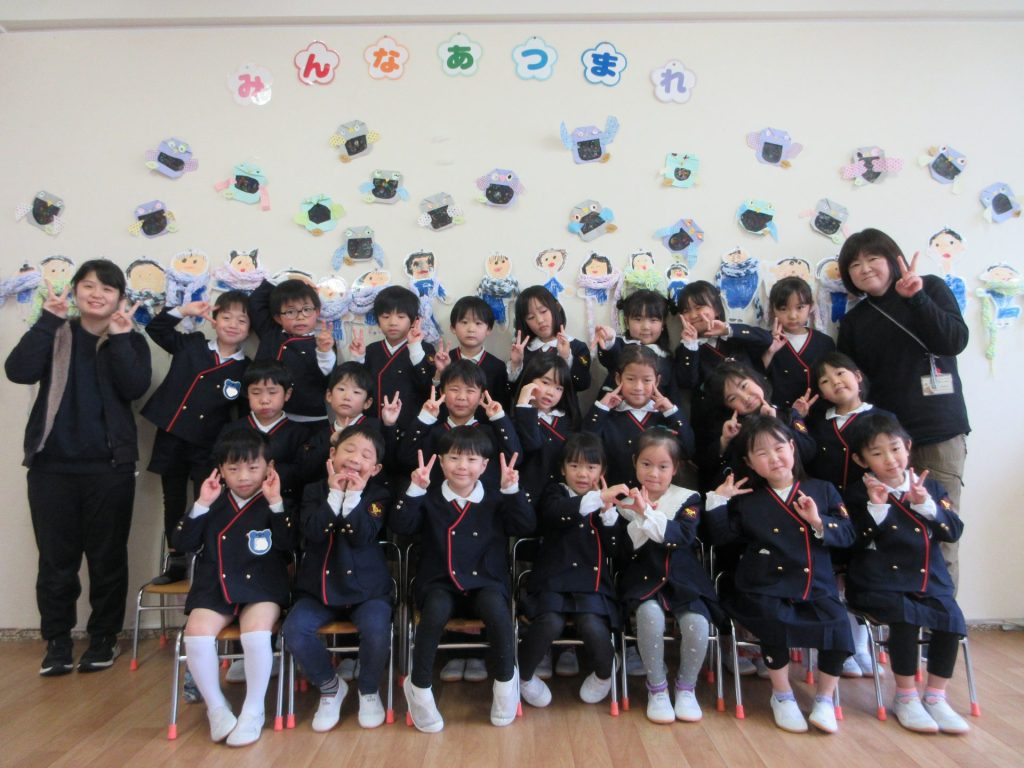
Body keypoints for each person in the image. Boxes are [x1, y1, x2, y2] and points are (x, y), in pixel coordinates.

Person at [5, 260, 151, 676]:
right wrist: (47, 321)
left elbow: (135, 388)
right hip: (51, 466)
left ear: (120, 298)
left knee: (107, 559)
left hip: (110, 468)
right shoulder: (55, 332)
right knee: (56, 561)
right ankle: (57, 642)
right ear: (74, 291)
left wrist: (120, 339)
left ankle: (103, 638)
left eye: (107, 289)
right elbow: (18, 371)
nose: (97, 294)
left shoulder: (130, 339)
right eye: (88, 286)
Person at [836, 228, 969, 587]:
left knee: (940, 532)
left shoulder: (930, 288)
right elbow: (857, 388)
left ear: (892, 259)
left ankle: (942, 614)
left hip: (938, 431)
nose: (865, 269)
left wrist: (917, 299)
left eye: (872, 259)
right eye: (855, 265)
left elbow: (955, 341)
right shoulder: (854, 322)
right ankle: (902, 614)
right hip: (885, 443)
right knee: (892, 537)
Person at [705, 416, 855, 734]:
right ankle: (782, 695)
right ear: (750, 463)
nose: (773, 458)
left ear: (792, 448)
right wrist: (718, 501)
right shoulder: (748, 500)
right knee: (773, 619)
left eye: (779, 448)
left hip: (815, 584)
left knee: (839, 623)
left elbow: (847, 535)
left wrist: (817, 521)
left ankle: (825, 699)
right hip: (765, 584)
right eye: (762, 453)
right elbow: (721, 538)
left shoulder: (823, 490)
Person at [390, 429, 535, 732]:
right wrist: (414, 490)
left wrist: (512, 491)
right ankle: (419, 687)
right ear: (441, 462)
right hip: (439, 581)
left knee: (497, 611)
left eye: (471, 459)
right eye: (454, 458)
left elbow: (525, 526)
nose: (462, 466)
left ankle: (505, 684)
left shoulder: (496, 497)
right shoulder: (429, 496)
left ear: (484, 465)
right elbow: (401, 527)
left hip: (486, 581)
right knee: (433, 613)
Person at [845, 412, 970, 734]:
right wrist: (877, 508)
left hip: (928, 580)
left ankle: (936, 696)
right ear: (861, 460)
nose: (890, 459)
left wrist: (926, 504)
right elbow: (851, 542)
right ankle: (906, 696)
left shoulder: (931, 486)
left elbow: (952, 531)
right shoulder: (856, 494)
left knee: (951, 618)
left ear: (908, 446)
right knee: (905, 617)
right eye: (877, 453)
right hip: (877, 582)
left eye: (895, 448)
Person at [173, 428, 293, 747]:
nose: (243, 477)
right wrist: (201, 503)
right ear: (221, 470)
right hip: (217, 583)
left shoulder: (275, 500)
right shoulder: (212, 502)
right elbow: (182, 542)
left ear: (269, 467)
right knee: (196, 633)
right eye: (233, 468)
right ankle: (216, 707)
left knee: (255, 633)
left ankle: (253, 710)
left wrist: (277, 503)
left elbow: (289, 544)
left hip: (262, 584)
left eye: (253, 467)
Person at [283, 423, 393, 731]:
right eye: (349, 450)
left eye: (366, 455)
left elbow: (362, 535)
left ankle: (369, 690)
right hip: (318, 589)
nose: (355, 459)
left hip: (367, 590)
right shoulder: (313, 491)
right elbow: (313, 532)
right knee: (295, 630)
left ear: (375, 468)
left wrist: (353, 496)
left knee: (376, 630)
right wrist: (334, 495)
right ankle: (330, 687)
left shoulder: (378, 495)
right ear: (332, 454)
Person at [141, 291, 251, 584]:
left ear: (250, 329)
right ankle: (176, 560)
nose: (233, 324)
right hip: (172, 435)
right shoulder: (192, 344)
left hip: (208, 444)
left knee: (209, 499)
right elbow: (156, 329)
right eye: (226, 317)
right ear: (214, 320)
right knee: (173, 499)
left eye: (242, 320)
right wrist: (184, 310)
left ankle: (208, 559)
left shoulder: (246, 368)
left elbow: (242, 416)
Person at [616, 430, 719, 724]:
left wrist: (647, 515)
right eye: (646, 464)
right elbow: (627, 545)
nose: (654, 473)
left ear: (675, 468)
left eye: (663, 466)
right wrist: (640, 513)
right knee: (649, 616)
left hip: (684, 579)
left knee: (698, 623)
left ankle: (686, 688)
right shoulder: (623, 499)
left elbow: (682, 536)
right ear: (635, 463)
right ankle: (657, 687)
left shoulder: (688, 498)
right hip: (642, 578)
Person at [518, 434, 625, 709]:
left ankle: (604, 673)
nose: (582, 473)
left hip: (591, 582)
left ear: (602, 470)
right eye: (574, 465)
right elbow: (556, 513)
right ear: (563, 468)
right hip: (552, 580)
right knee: (549, 622)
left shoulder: (607, 501)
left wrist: (608, 514)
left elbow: (614, 548)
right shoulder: (554, 492)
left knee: (591, 623)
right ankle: (524, 676)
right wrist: (597, 498)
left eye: (591, 467)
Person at [396, 359, 521, 490]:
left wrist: (499, 418)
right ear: (442, 393)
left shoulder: (491, 433)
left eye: (470, 391)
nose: (461, 397)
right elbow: (405, 458)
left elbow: (515, 458)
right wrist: (425, 418)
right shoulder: (431, 432)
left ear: (481, 397)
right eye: (454, 389)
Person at [585, 345, 695, 487]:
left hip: (659, 496)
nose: (638, 387)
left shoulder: (667, 416)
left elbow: (688, 450)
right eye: (630, 379)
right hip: (618, 495)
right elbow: (586, 446)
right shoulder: (608, 415)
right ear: (618, 379)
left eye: (647, 380)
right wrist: (601, 409)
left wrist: (672, 412)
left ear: (657, 381)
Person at [701, 361, 816, 492]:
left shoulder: (788, 414)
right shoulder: (730, 430)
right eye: (732, 398)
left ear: (754, 379)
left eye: (744, 386)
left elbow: (808, 452)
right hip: (754, 496)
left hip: (796, 490)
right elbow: (709, 470)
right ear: (727, 407)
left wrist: (775, 423)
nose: (745, 398)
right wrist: (725, 441)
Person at [348, 285, 435, 435]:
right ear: (377, 320)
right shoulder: (371, 350)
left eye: (401, 317)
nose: (393, 322)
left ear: (414, 321)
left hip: (412, 429)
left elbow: (427, 386)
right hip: (374, 429)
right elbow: (358, 387)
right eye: (386, 316)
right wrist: (357, 358)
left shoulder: (425, 349)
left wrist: (415, 347)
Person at [249, 277, 335, 424]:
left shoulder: (323, 342)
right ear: (278, 318)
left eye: (307, 310)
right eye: (290, 312)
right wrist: (288, 277)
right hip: (267, 416)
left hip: (310, 419)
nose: (300, 317)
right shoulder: (270, 333)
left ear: (317, 312)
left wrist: (325, 352)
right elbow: (255, 302)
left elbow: (329, 379)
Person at [512, 352, 582, 502]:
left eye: (559, 388)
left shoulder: (568, 420)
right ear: (530, 380)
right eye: (545, 382)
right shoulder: (515, 417)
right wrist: (523, 406)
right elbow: (532, 444)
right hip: (527, 497)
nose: (551, 393)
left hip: (559, 499)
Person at [761, 276, 835, 411]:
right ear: (773, 310)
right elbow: (758, 377)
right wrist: (769, 352)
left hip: (819, 412)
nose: (792, 316)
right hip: (779, 414)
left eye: (800, 307)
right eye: (783, 308)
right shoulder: (765, 341)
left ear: (810, 307)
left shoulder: (825, 342)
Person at [593, 289, 676, 403]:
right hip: (615, 409)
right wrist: (609, 339)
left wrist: (672, 412)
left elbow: (673, 394)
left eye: (653, 320)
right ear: (627, 322)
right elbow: (610, 357)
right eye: (638, 319)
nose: (645, 326)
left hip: (654, 412)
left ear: (663, 324)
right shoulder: (620, 346)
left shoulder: (666, 357)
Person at [508, 285, 591, 393]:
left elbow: (582, 384)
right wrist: (516, 364)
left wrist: (566, 358)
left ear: (556, 308)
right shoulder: (523, 350)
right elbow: (513, 391)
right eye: (531, 317)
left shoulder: (578, 347)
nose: (540, 320)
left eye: (543, 311)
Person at [433, 295, 509, 404]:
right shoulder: (443, 361)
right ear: (453, 328)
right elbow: (433, 401)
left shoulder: (497, 366)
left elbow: (502, 406)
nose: (471, 329)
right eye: (464, 322)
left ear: (489, 329)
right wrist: (440, 373)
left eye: (478, 323)